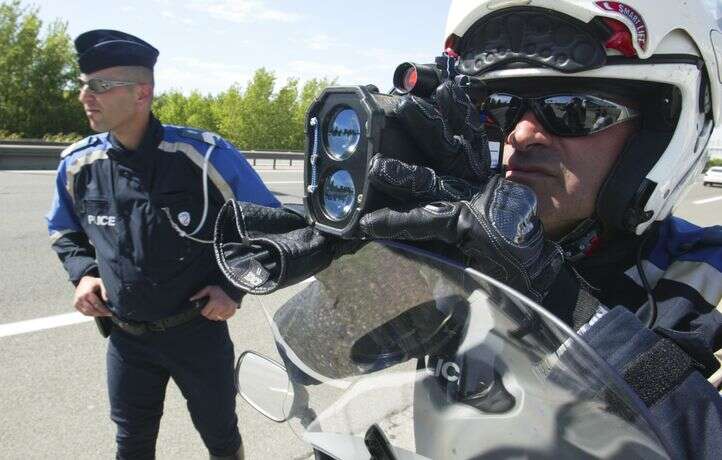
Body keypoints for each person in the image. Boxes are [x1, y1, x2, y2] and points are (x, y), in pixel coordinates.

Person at [214, 1, 722, 457]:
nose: (520, 134)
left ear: (663, 131)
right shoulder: (467, 237)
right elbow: (310, 354)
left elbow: (700, 438)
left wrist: (555, 295)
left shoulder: (707, 280)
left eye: (572, 111)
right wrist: (377, 259)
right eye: (500, 111)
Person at [46, 30, 279, 460]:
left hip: (197, 334)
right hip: (126, 339)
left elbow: (274, 228)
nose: (84, 96)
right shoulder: (79, 165)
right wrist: (83, 274)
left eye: (99, 86)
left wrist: (235, 289)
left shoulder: (204, 158)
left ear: (141, 94)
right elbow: (65, 230)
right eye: (83, 84)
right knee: (131, 445)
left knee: (222, 440)